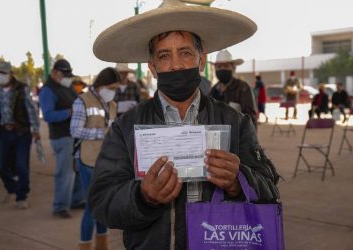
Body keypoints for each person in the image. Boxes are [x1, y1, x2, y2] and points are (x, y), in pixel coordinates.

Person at [88, 1, 280, 249]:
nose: (176, 64)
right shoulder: (125, 127)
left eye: (185, 52)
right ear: (153, 68)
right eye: (164, 56)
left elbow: (270, 188)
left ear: (201, 61)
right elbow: (101, 201)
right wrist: (142, 197)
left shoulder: (235, 122)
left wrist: (238, 180)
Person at [71, 67, 120, 250]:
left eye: (116, 88)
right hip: (87, 160)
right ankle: (84, 245)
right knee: (92, 207)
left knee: (103, 205)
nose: (113, 91)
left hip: (106, 160)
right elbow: (75, 130)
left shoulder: (112, 104)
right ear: (101, 85)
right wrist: (102, 133)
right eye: (111, 87)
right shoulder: (82, 101)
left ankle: (102, 245)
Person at [39, 59, 85, 218]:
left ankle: (77, 199)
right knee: (65, 173)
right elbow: (48, 115)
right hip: (61, 137)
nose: (67, 78)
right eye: (64, 75)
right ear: (54, 73)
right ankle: (60, 206)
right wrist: (69, 112)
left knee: (77, 169)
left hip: (74, 134)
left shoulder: (68, 87)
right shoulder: (47, 90)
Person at [0, 61, 40, 209]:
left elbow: (31, 109)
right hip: (3, 132)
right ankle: (13, 186)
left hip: (21, 132)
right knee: (0, 166)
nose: (1, 76)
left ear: (11, 74)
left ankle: (21, 196)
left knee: (21, 165)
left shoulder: (21, 88)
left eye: (4, 73)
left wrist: (35, 129)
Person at [209, 49, 258, 128]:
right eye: (219, 66)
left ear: (233, 68)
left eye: (226, 66)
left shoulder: (243, 88)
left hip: (237, 136)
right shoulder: (213, 90)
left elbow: (251, 118)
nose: (222, 69)